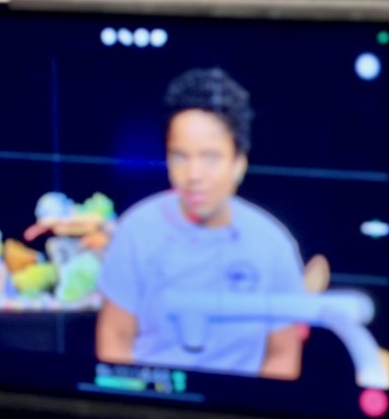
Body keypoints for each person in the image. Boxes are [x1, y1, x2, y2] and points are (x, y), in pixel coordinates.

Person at [95, 67, 307, 379]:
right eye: (180, 157)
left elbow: (283, 354)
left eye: (210, 158)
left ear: (239, 163)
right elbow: (114, 337)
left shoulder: (273, 244)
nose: (193, 175)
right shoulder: (136, 230)